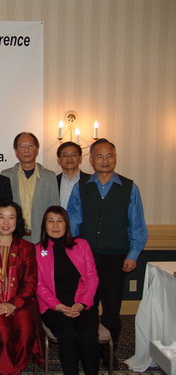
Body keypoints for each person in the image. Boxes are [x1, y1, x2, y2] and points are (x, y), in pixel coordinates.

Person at [67, 138, 148, 366]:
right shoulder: (81, 187)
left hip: (116, 258)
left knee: (112, 307)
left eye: (110, 155)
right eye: (100, 156)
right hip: (87, 258)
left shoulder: (129, 188)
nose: (105, 160)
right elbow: (73, 222)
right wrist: (73, 254)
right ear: (91, 160)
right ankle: (88, 348)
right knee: (87, 305)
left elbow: (137, 225)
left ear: (115, 157)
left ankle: (109, 352)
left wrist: (132, 254)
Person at [0, 200, 42, 375]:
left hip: (20, 303)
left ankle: (14, 368)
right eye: (1, 217)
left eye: (11, 218)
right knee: (3, 333)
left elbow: (30, 282)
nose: (6, 223)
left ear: (17, 221)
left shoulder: (27, 248)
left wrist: (14, 303)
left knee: (26, 332)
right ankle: (9, 371)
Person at [35, 206, 99, 375]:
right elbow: (38, 285)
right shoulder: (37, 250)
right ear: (44, 225)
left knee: (87, 335)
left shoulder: (82, 245)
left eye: (59, 221)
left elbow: (92, 278)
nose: (55, 226)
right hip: (53, 307)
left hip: (82, 304)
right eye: (50, 221)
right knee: (68, 335)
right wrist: (58, 306)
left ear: (66, 224)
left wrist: (82, 303)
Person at [1, 132, 59, 244]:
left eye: (30, 146)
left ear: (37, 149)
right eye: (22, 146)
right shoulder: (5, 176)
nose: (26, 150)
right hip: (14, 236)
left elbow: (55, 209)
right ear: (16, 151)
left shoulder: (49, 177)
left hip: (41, 236)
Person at [56, 141, 90, 209]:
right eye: (65, 155)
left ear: (80, 159)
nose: (69, 158)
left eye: (73, 155)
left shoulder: (90, 181)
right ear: (59, 160)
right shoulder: (53, 181)